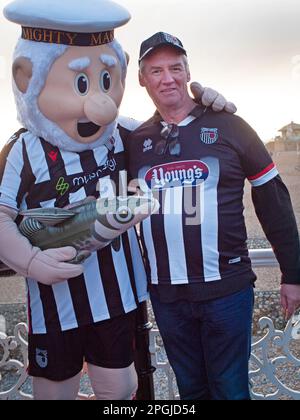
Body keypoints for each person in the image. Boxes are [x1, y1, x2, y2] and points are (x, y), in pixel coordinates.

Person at [0, 1, 233, 400]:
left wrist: (209, 105)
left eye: (107, 80)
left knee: (122, 389)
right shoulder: (23, 150)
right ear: (27, 78)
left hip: (119, 300)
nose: (100, 102)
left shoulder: (124, 134)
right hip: (54, 307)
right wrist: (33, 261)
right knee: (54, 392)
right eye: (81, 83)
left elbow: (180, 128)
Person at [125, 31, 300, 400]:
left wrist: (294, 273)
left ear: (189, 72)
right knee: (192, 390)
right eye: (156, 71)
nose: (167, 78)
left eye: (175, 67)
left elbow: (273, 200)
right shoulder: (135, 141)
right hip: (167, 295)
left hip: (227, 290)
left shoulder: (230, 126)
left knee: (230, 389)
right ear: (142, 78)